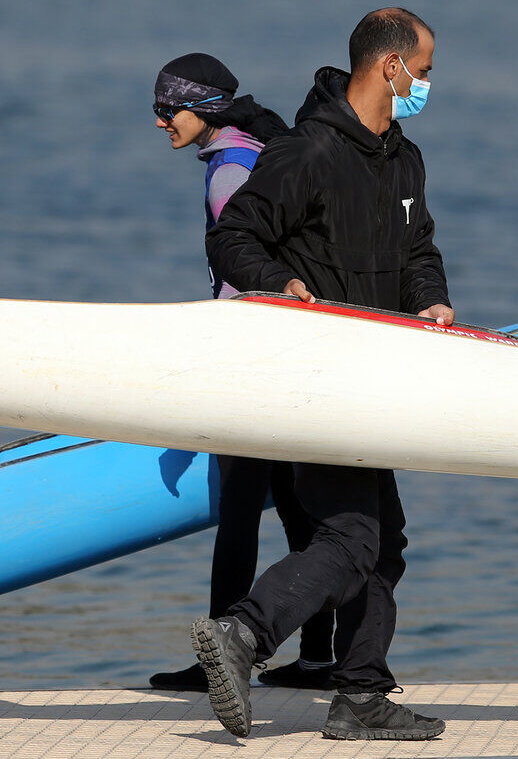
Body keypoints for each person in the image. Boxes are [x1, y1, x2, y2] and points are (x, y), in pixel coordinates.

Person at [193, 8, 453, 741]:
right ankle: (243, 631)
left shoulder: (404, 161)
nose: (430, 82)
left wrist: (431, 298)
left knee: (382, 538)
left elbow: (420, 247)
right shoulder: (307, 152)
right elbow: (234, 237)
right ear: (389, 67)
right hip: (314, 375)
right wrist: (277, 281)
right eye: (425, 69)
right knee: (351, 537)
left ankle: (361, 693)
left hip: (377, 379)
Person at [146, 53, 338, 692]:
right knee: (296, 511)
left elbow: (244, 275)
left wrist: (211, 364)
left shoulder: (229, 173)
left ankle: (218, 664)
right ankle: (315, 659)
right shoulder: (259, 150)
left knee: (239, 517)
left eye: (166, 109)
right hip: (292, 357)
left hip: (255, 363)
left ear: (200, 109)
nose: (158, 122)